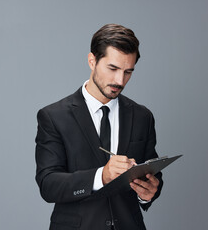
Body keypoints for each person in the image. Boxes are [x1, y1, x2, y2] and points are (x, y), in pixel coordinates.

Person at [35, 24, 163, 230]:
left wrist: (149, 194)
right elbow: (48, 185)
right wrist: (101, 176)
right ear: (92, 61)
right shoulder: (53, 116)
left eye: (128, 72)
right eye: (113, 69)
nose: (120, 80)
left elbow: (152, 174)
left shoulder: (142, 116)